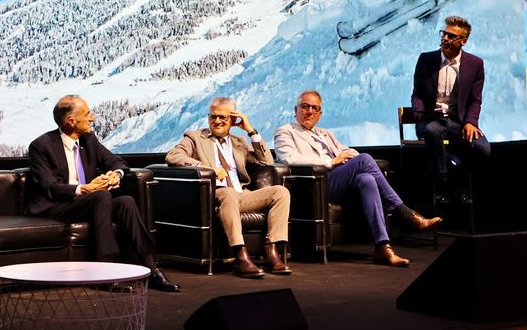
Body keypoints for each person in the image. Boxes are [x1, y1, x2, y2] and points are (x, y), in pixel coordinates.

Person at [26, 95, 179, 292]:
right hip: (55, 205)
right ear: (71, 121)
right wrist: (85, 189)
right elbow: (50, 187)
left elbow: (116, 161)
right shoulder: (41, 146)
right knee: (101, 195)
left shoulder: (88, 139)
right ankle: (104, 273)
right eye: (88, 114)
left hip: (89, 201)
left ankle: (151, 269)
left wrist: (116, 174)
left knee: (126, 202)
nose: (93, 118)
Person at [275, 90, 442, 267]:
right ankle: (405, 214)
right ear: (295, 109)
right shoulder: (286, 132)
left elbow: (349, 151)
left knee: (366, 180)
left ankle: (382, 247)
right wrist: (330, 162)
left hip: (338, 181)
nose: (309, 111)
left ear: (320, 114)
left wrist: (345, 158)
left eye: (315, 108)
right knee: (365, 160)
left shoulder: (324, 133)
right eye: (305, 106)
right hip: (315, 185)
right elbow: (290, 159)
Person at [166, 97, 292, 279]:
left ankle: (272, 252)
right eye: (213, 117)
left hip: (241, 195)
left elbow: (266, 161)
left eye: (223, 118)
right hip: (215, 195)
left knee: (281, 192)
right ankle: (241, 256)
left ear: (232, 120)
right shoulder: (194, 137)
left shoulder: (239, 142)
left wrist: (250, 130)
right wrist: (208, 169)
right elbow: (173, 156)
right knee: (228, 193)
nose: (217, 121)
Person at [411, 16, 491, 205]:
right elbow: (417, 94)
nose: (445, 38)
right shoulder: (426, 60)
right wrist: (419, 113)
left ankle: (456, 175)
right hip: (431, 119)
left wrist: (471, 122)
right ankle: (442, 181)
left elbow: (475, 99)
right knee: (432, 130)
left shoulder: (475, 64)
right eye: (444, 34)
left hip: (458, 122)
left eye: (451, 36)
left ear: (463, 41)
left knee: (483, 149)